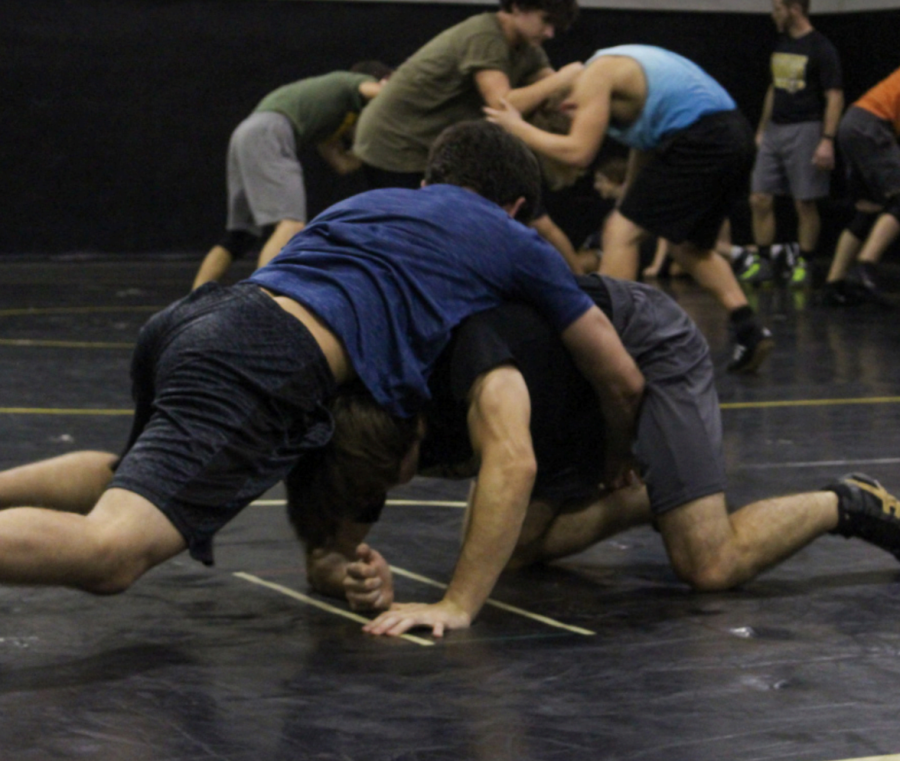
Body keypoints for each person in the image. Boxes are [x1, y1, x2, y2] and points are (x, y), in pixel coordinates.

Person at [0, 121, 642, 596]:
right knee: (113, 551)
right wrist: (614, 455)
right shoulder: (512, 237)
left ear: (427, 181)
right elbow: (618, 373)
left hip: (199, 318)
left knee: (125, 474)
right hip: (267, 353)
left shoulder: (366, 204)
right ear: (517, 209)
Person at [293, 275, 900, 638]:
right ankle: (652, 501)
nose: (392, 489)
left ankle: (845, 501)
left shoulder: (470, 372)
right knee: (514, 549)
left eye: (401, 473)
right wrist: (354, 579)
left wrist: (455, 604)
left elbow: (519, 463)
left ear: (420, 428)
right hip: (558, 399)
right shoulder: (362, 427)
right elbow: (329, 553)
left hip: (634, 349)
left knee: (710, 565)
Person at [485, 44, 774, 374]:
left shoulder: (594, 76)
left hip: (703, 137)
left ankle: (609, 343)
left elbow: (578, 152)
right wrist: (627, 204)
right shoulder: (618, 74)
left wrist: (516, 127)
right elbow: (644, 145)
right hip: (734, 136)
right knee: (688, 248)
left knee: (620, 234)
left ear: (567, 106)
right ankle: (749, 329)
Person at [191, 62, 392, 289]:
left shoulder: (328, 118)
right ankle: (262, 297)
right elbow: (391, 94)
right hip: (270, 132)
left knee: (240, 235)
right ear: (378, 80)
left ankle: (194, 298)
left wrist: (370, 148)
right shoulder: (349, 82)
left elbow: (343, 164)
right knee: (291, 225)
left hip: (247, 134)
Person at [352, 0, 580, 190]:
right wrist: (561, 78)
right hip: (393, 142)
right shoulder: (485, 37)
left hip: (424, 142)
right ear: (518, 7)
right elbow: (501, 106)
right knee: (411, 228)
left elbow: (553, 90)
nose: (550, 33)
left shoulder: (528, 46)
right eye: (545, 20)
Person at [739, 0, 843, 288]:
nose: (774, 16)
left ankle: (805, 263)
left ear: (794, 8)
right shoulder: (782, 43)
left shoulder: (821, 47)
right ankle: (764, 262)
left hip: (806, 128)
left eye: (777, 9)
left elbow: (834, 95)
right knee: (759, 197)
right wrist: (761, 130)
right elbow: (775, 86)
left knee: (804, 202)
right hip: (775, 129)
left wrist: (827, 140)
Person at [823, 65, 900, 306]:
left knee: (869, 210)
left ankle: (834, 285)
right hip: (871, 127)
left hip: (854, 123)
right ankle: (865, 267)